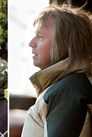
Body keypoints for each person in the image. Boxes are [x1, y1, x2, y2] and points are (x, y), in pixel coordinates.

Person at [21, 5, 92, 137]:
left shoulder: (67, 91)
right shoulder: (66, 87)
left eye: (40, 37)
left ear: (63, 45)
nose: (31, 43)